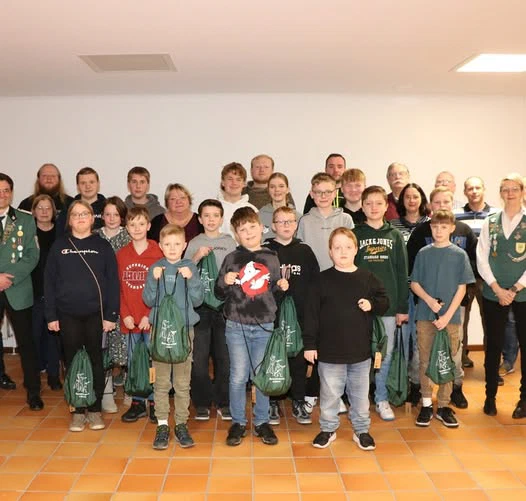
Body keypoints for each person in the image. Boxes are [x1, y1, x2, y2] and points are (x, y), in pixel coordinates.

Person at [304, 227, 389, 450]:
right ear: (330, 252)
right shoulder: (320, 280)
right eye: (337, 247)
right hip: (329, 352)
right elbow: (310, 315)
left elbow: (384, 301)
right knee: (330, 394)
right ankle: (328, 429)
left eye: (348, 247)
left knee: (360, 396)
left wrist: (372, 304)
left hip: (360, 352)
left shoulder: (368, 278)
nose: (343, 252)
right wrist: (309, 344)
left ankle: (361, 430)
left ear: (356, 250)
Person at [215, 207, 289, 447]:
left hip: (264, 325)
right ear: (236, 234)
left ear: (261, 227)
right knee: (238, 376)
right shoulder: (231, 258)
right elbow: (218, 293)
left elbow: (273, 293)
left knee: (261, 375)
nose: (248, 233)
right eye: (242, 230)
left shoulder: (271, 257)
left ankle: (261, 421)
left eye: (251, 227)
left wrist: (282, 287)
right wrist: (225, 282)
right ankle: (238, 422)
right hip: (236, 326)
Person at [45, 200, 119, 432]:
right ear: (69, 220)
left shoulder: (103, 246)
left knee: (96, 361)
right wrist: (51, 315)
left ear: (92, 218)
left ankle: (95, 409)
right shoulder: (59, 246)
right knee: (72, 361)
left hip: (96, 315)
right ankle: (77, 410)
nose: (80, 218)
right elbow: (49, 283)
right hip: (67, 315)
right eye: (75, 214)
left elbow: (113, 282)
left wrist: (111, 315)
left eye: (84, 214)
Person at [407, 186, 478, 409]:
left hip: (451, 317)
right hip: (425, 314)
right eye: (435, 227)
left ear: (452, 228)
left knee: (449, 359)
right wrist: (429, 300)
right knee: (425, 359)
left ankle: (445, 404)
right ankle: (427, 402)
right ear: (430, 227)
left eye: (444, 227)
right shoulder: (423, 253)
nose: (439, 231)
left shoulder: (459, 255)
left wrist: (447, 316)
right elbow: (414, 283)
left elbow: (462, 288)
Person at [142, 224, 204, 450]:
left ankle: (181, 424)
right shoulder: (156, 268)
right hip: (160, 330)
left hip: (183, 331)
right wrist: (153, 280)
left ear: (185, 245)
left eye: (177, 244)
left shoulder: (190, 267)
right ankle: (162, 425)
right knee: (161, 382)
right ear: (160, 245)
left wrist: (191, 279)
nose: (172, 248)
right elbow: (148, 300)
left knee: (181, 382)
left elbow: (198, 300)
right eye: (167, 244)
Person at [353, 186, 409, 421]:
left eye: (378, 203)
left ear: (386, 206)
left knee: (384, 354)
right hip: (359, 306)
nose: (373, 207)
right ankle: (359, 399)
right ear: (362, 206)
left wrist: (402, 308)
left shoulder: (395, 235)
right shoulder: (355, 233)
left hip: (388, 307)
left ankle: (381, 397)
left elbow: (402, 272)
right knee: (360, 354)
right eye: (369, 203)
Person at [264, 206, 320, 425]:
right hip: (273, 313)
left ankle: (298, 400)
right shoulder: (266, 250)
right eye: (281, 222)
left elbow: (315, 284)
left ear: (296, 225)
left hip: (299, 314)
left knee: (298, 359)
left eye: (290, 221)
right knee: (274, 356)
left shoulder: (304, 251)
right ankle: (272, 401)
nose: (286, 225)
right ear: (273, 226)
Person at [477, 173, 526, 418]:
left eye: (515, 188)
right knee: (493, 345)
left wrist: (515, 288)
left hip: (523, 294)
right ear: (500, 193)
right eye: (505, 189)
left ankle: (524, 400)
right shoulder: (491, 221)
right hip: (493, 293)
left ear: (523, 192)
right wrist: (497, 288)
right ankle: (490, 397)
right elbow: (481, 256)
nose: (510, 193)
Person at [186, 199, 237, 421]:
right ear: (199, 219)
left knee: (224, 358)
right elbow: (184, 271)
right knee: (199, 359)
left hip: (225, 307)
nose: (211, 219)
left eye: (215, 215)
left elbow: (238, 271)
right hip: (200, 308)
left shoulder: (229, 242)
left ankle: (224, 401)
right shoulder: (194, 243)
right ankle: (202, 402)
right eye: (206, 215)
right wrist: (196, 257)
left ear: (222, 218)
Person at [0, 173, 43, 409]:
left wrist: (8, 278)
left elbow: (32, 255)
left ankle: (33, 391)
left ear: (12, 192)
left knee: (27, 342)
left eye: (6, 190)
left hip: (18, 288)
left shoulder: (25, 220)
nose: (2, 195)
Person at [117, 207, 163, 423]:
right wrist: (125, 314)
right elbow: (117, 288)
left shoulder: (158, 252)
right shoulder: (121, 255)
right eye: (132, 224)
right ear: (126, 228)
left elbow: (163, 288)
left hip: (150, 319)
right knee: (134, 362)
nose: (137, 228)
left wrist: (149, 314)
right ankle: (137, 402)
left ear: (149, 226)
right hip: (130, 320)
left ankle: (154, 402)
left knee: (153, 361)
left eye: (141, 224)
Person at [390, 183, 430, 406]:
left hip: (424, 291)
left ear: (422, 199)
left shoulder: (431, 224)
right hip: (401, 289)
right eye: (407, 197)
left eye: (415, 196)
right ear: (401, 201)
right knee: (402, 340)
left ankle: (417, 384)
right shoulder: (393, 225)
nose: (412, 201)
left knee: (419, 340)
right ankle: (400, 382)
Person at [454, 176, 497, 368]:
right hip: (464, 277)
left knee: (490, 321)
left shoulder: (496, 214)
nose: (474, 191)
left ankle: (491, 363)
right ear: (464, 192)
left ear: (484, 189)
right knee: (460, 321)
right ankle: (461, 359)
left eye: (477, 187)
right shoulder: (455, 215)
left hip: (488, 277)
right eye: (470, 188)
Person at [94, 197, 131, 413]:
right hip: (101, 300)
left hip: (125, 298)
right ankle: (107, 392)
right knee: (104, 347)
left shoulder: (129, 236)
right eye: (107, 214)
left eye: (116, 214)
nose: (111, 218)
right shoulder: (94, 237)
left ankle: (130, 388)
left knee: (126, 345)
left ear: (122, 217)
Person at [31, 194, 62, 391]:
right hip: (32, 293)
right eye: (40, 208)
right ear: (33, 212)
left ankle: (53, 375)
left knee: (53, 338)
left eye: (48, 208)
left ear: (54, 212)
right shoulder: (28, 233)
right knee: (33, 336)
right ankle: (33, 376)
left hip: (56, 294)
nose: (44, 212)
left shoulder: (61, 234)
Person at [297, 173, 354, 271]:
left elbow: (352, 249)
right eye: (318, 192)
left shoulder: (346, 219)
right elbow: (300, 252)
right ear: (312, 194)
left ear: (335, 193)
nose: (323, 196)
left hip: (341, 273)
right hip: (312, 275)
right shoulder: (304, 221)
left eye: (328, 192)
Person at [56, 167, 106, 234]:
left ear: (98, 184)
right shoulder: (68, 207)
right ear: (78, 186)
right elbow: (60, 234)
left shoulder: (107, 207)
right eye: (83, 183)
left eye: (91, 182)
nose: (88, 186)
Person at [217, 162, 258, 237]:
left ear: (244, 183)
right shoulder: (214, 208)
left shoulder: (253, 210)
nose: (234, 183)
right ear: (223, 182)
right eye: (230, 179)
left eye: (238, 179)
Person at [259, 173, 300, 241]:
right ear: (268, 190)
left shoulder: (298, 217)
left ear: (288, 189)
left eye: (281, 186)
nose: (277, 190)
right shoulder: (259, 216)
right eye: (272, 187)